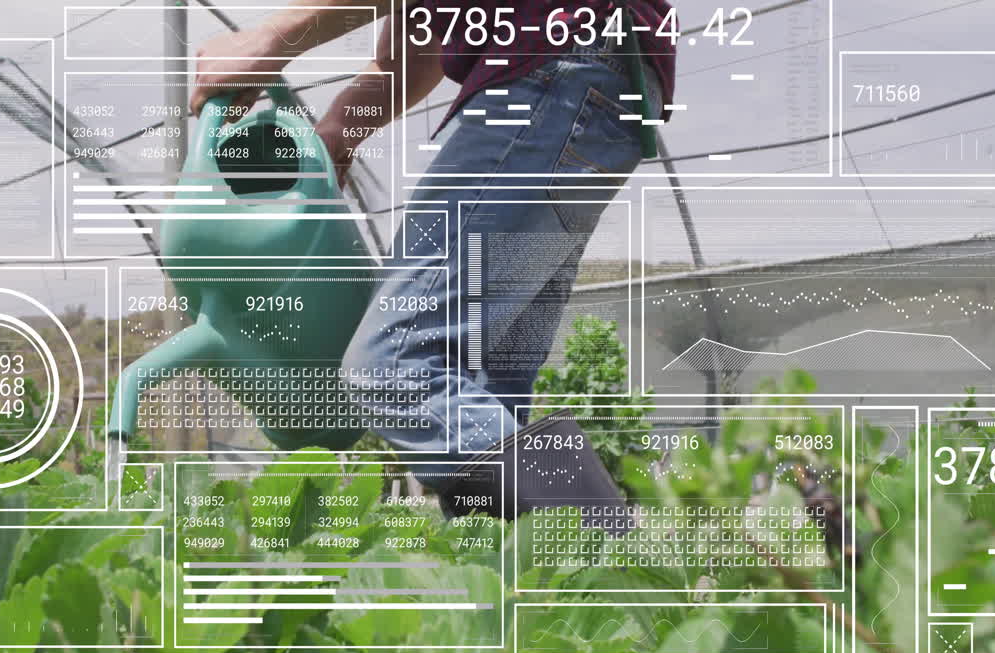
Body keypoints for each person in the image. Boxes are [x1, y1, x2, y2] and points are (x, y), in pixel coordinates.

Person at [192, 0, 677, 511]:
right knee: (480, 384)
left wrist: (271, 36)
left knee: (395, 364)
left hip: (556, 69)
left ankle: (612, 566)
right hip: (592, 88)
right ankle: (535, 580)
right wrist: (337, 129)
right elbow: (410, 57)